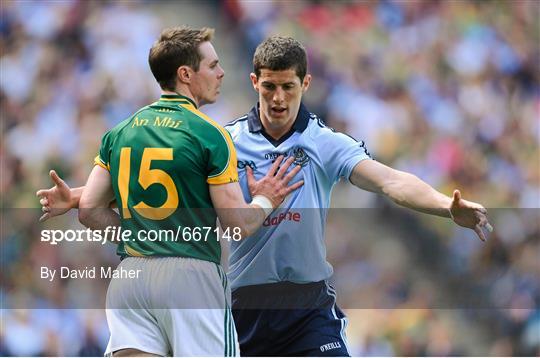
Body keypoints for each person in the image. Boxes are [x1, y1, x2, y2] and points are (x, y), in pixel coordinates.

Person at [38, 36, 492, 356]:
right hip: (240, 305)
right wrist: (79, 197)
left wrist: (443, 206)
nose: (278, 98)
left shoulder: (325, 142)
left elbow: (389, 180)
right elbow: (166, 189)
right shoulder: (225, 139)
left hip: (307, 305)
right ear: (254, 81)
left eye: (288, 87)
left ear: (305, 85)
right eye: (269, 86)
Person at [37, 27, 303, 357]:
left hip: (131, 276)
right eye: (213, 65)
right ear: (185, 74)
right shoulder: (209, 134)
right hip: (191, 277)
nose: (221, 73)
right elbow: (238, 224)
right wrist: (266, 198)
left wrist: (143, 238)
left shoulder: (120, 131)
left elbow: (89, 209)